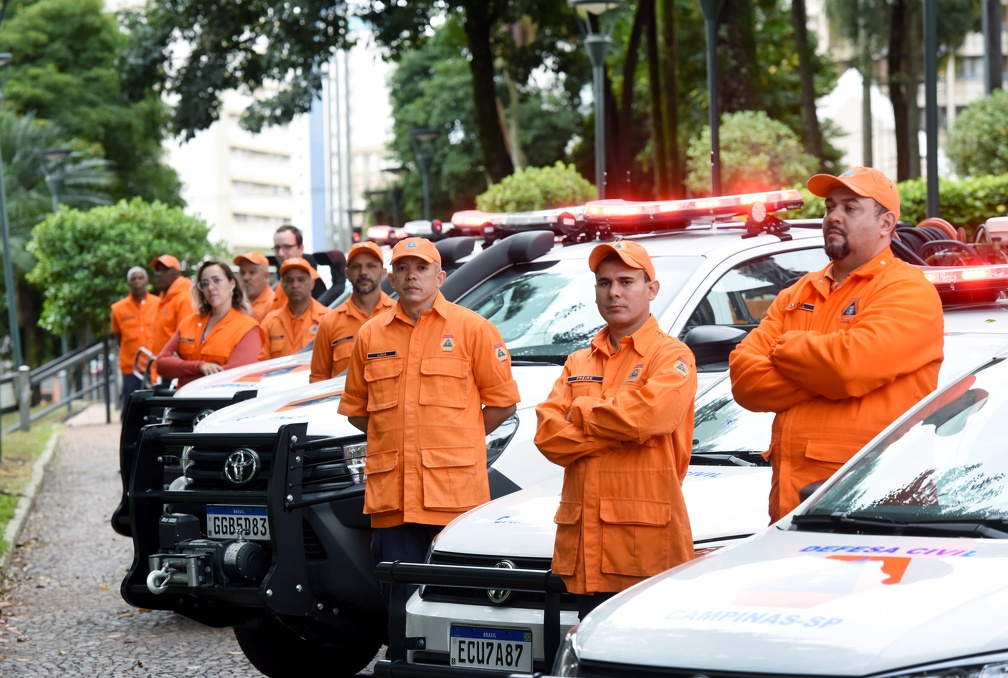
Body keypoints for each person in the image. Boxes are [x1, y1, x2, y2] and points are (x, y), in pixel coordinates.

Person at [336, 237, 520, 661]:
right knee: (400, 610)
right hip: (394, 501)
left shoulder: (472, 328)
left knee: (461, 607)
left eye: (421, 268)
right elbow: (357, 412)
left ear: (440, 276)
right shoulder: (370, 334)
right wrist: (394, 436)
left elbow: (503, 402)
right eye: (402, 268)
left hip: (455, 498)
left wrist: (461, 438)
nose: (411, 276)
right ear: (391, 277)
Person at [729, 166, 944, 523]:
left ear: (886, 223)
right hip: (789, 516)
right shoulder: (797, 293)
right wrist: (822, 376)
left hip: (875, 516)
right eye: (830, 207)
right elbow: (745, 381)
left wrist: (788, 348)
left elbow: (848, 367)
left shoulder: (908, 290)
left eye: (850, 207)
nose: (834, 217)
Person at [534, 240, 698, 618]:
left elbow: (650, 417)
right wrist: (620, 432)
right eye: (604, 283)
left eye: (626, 281)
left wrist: (583, 410)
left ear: (651, 289)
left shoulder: (671, 355)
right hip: (585, 549)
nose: (615, 292)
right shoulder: (578, 360)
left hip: (644, 546)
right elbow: (547, 436)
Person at [156, 260, 264, 388]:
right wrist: (199, 367)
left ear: (232, 284)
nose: (210, 288)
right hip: (183, 403)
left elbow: (235, 375)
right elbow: (161, 364)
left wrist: (182, 372)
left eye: (216, 280)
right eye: (205, 284)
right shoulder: (188, 322)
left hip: (221, 404)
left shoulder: (249, 328)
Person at [309, 241, 393, 382]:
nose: (363, 272)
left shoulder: (399, 315)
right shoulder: (330, 322)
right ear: (347, 273)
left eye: (371, 266)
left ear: (383, 272)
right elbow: (318, 379)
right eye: (356, 267)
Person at [110, 266, 160, 417]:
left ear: (147, 281)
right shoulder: (118, 309)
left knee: (156, 407)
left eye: (140, 278)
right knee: (131, 409)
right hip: (131, 368)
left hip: (156, 367)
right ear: (128, 283)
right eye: (133, 279)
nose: (137, 282)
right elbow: (118, 336)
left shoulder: (159, 304)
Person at [259, 257, 330, 360]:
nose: (295, 285)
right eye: (289, 280)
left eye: (301, 279)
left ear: (312, 283)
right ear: (282, 285)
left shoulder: (328, 318)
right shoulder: (270, 321)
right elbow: (261, 362)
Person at [150, 254, 195, 359]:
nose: (159, 274)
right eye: (157, 270)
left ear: (177, 273)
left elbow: (187, 338)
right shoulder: (163, 298)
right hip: (161, 364)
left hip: (174, 365)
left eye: (165, 270)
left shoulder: (184, 298)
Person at [271, 224, 326, 308]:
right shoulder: (281, 279)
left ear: (300, 248)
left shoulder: (314, 279)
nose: (281, 253)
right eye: (277, 248)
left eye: (287, 247)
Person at [233, 251, 275, 323]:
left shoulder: (274, 303)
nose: (246, 278)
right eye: (242, 272)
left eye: (252, 272)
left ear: (266, 276)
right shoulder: (235, 301)